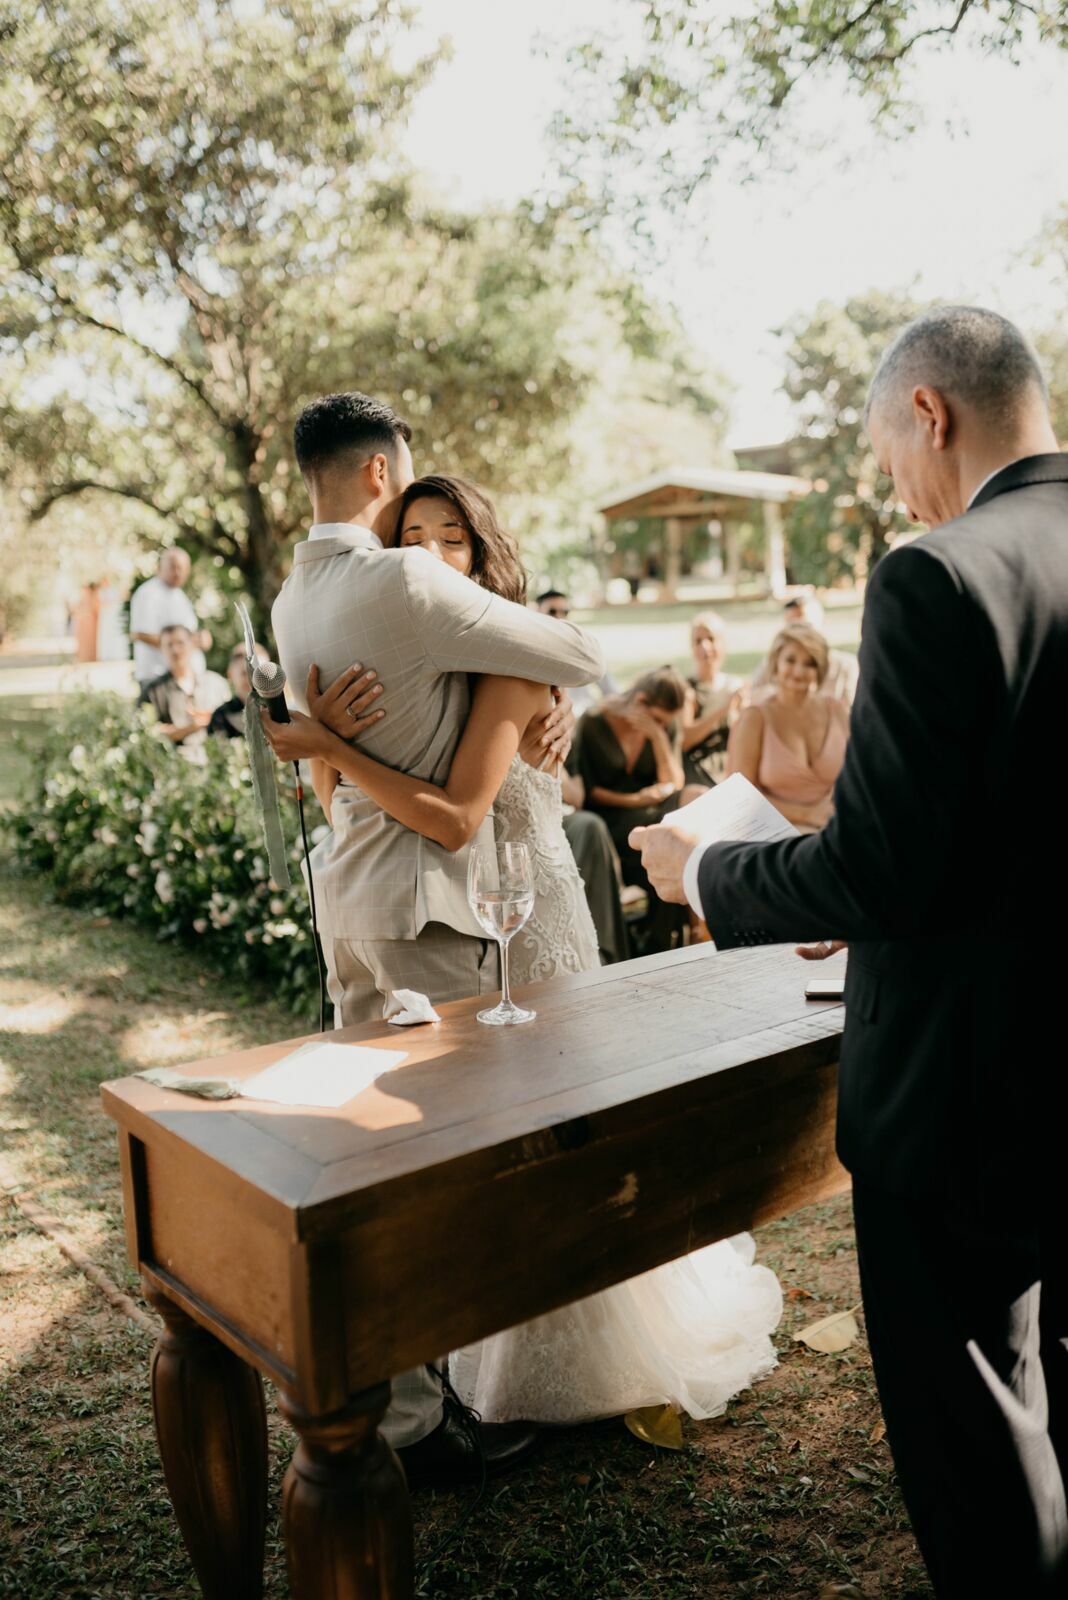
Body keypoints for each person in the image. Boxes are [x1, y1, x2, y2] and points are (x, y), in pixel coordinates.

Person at [631, 306, 1068, 1600]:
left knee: (981, 1437)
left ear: (929, 413)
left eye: (886, 449)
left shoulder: (940, 573)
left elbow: (882, 864)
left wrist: (705, 869)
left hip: (969, 1100)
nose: (895, 482)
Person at [265, 472, 782, 1435]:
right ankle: (493, 1346)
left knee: (563, 1128)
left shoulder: (508, 662)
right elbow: (346, 800)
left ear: (480, 551)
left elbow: (460, 812)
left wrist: (333, 745)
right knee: (499, 1139)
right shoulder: (421, 671)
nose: (425, 552)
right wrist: (326, 740)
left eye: (449, 538)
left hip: (530, 910)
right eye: (410, 535)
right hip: (466, 919)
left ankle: (598, 1346)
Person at [270, 392, 602, 1486]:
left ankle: (407, 1413)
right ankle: (426, 1424)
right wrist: (555, 678)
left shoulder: (289, 603)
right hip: (428, 913)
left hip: (349, 908)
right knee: (440, 1170)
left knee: (371, 1164)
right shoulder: (407, 581)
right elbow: (572, 642)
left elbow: (320, 768)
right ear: (379, 476)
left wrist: (332, 740)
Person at [574, 668, 695, 955]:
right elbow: (589, 791)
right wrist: (635, 800)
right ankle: (629, 947)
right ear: (639, 701)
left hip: (648, 818)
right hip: (608, 820)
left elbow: (674, 781)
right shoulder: (594, 723)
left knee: (672, 841)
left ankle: (661, 942)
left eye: (666, 722)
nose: (661, 725)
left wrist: (658, 738)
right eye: (656, 719)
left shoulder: (663, 728)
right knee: (656, 839)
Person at [726, 622, 849, 833]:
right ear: (776, 664)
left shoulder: (836, 709)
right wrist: (808, 815)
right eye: (790, 660)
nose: (799, 671)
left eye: (809, 663)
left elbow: (855, 770)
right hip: (775, 829)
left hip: (837, 824)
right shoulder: (755, 717)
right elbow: (740, 795)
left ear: (820, 668)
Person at [749, 592, 859, 707]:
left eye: (806, 625)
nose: (800, 635)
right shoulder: (772, 663)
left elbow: (852, 714)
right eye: (793, 627)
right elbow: (752, 697)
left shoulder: (847, 666)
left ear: (822, 622)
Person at [138, 623, 229, 758]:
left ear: (192, 644)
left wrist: (212, 718)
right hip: (175, 768)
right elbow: (146, 733)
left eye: (180, 643)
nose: (175, 650)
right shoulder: (152, 691)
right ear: (161, 649)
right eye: (169, 645)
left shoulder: (215, 684)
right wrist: (190, 728)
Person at [129, 548, 211, 689]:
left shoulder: (180, 596)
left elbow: (187, 633)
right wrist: (186, 643)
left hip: (184, 678)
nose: (178, 572)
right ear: (160, 568)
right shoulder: (148, 593)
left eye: (183, 568)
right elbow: (139, 633)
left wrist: (201, 639)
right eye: (173, 567)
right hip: (158, 678)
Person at [681, 610, 745, 786]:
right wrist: (724, 707)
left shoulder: (735, 684)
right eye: (698, 641)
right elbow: (685, 740)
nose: (705, 647)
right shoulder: (688, 688)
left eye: (711, 639)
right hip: (700, 768)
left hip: (732, 763)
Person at [537, 589, 618, 714]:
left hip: (584, 718)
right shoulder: (532, 649)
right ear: (537, 611)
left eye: (565, 612)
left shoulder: (585, 647)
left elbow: (611, 692)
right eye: (552, 612)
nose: (559, 617)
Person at [208, 641, 267, 739]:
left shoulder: (284, 709)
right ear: (230, 675)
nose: (251, 680)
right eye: (244, 673)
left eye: (258, 673)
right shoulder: (221, 717)